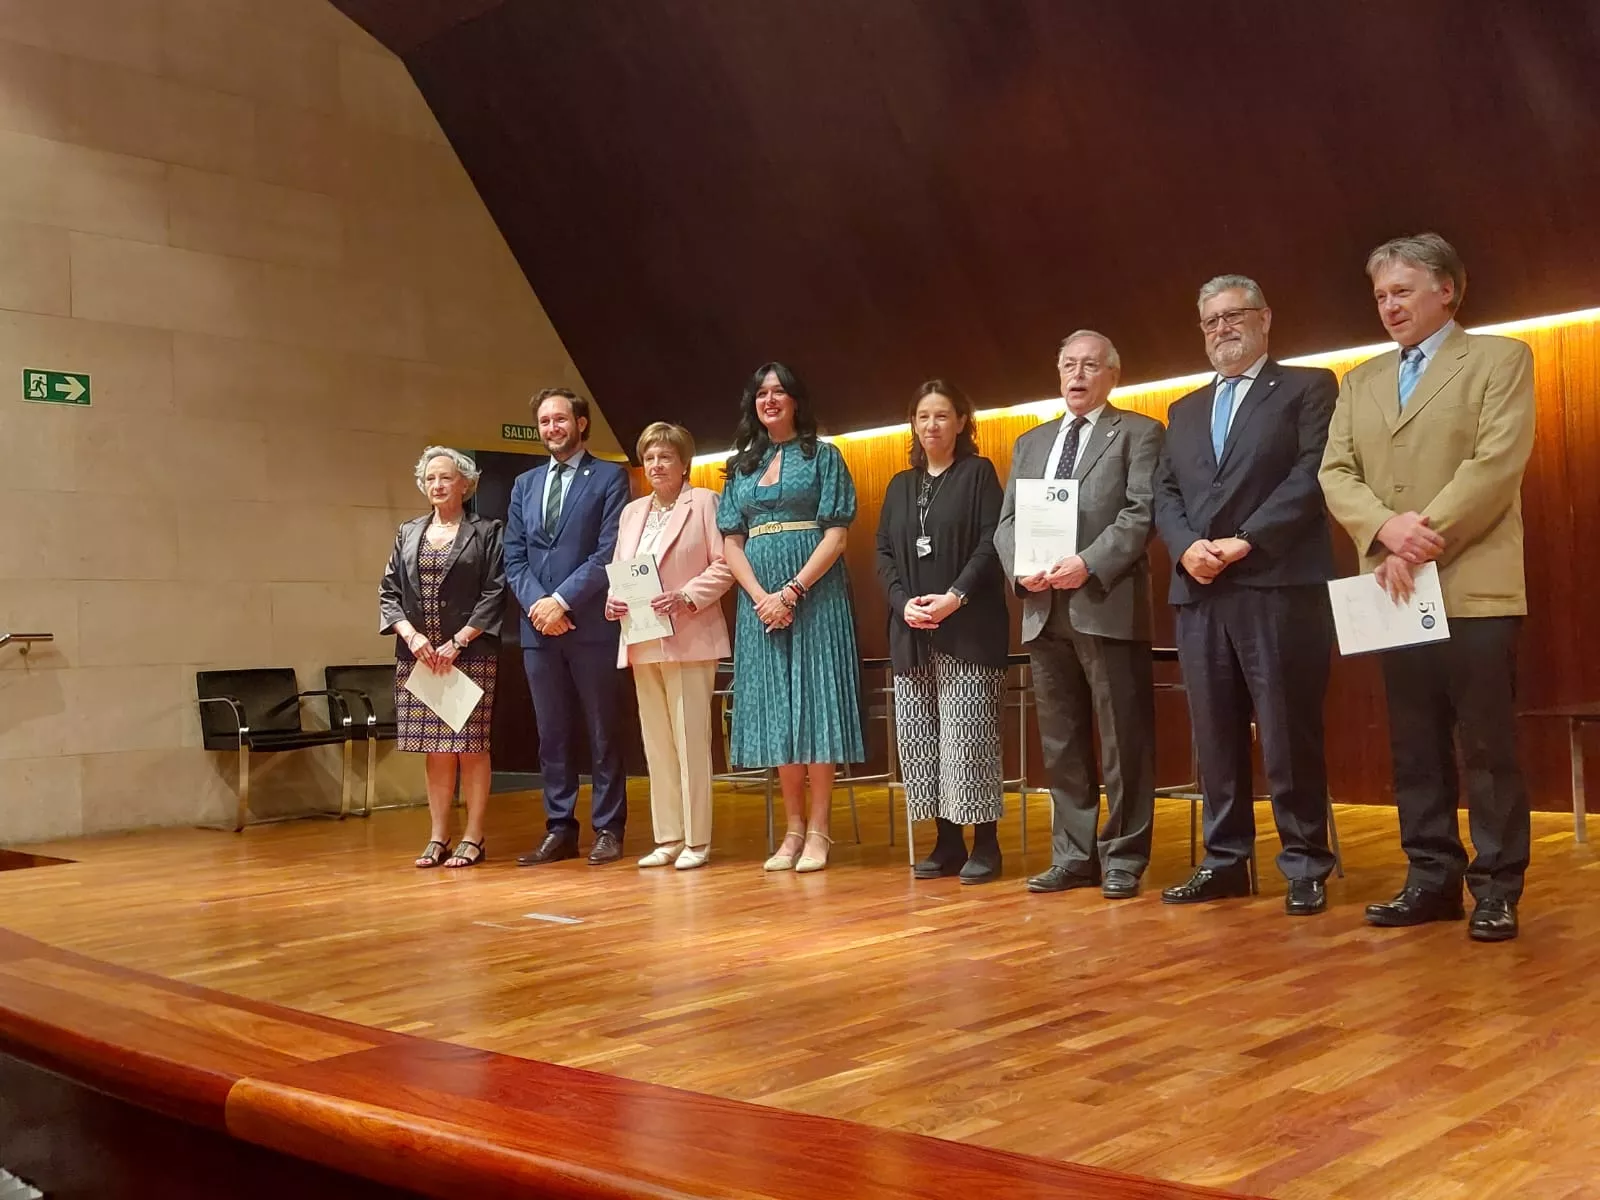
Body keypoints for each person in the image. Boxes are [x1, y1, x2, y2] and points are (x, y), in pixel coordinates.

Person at [1320, 233, 1536, 942]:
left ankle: (1497, 887)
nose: (1389, 306)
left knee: (1486, 745)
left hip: (1472, 581)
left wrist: (1420, 534)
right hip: (1392, 584)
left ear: (1447, 289)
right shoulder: (1360, 381)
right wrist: (1385, 530)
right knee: (1414, 745)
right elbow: (1336, 474)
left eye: (1402, 290)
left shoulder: (1503, 359)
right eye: (1380, 294)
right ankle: (1430, 879)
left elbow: (1495, 464)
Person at [1153, 276, 1340, 915]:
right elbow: (1165, 495)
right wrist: (1184, 548)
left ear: (1265, 320)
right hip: (1200, 591)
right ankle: (1226, 860)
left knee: (1289, 732)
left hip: (1278, 584)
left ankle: (1306, 863)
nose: (1222, 329)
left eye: (1234, 316)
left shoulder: (1310, 388)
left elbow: (1311, 476)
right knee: (1215, 736)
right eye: (1210, 321)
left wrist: (1244, 541)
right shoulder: (1181, 411)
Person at [994, 331, 1163, 900]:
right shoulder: (1031, 442)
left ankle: (1124, 856)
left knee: (1123, 739)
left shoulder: (1139, 433)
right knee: (1061, 743)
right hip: (1043, 608)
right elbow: (1007, 522)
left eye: (1091, 365)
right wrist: (1022, 568)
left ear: (1113, 374)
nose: (1078, 374)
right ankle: (1073, 855)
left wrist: (1086, 564)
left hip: (1105, 602)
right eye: (1069, 364)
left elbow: (1140, 515)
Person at [718, 362, 865, 873]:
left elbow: (838, 534)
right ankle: (792, 830)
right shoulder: (739, 467)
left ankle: (821, 830)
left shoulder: (824, 457)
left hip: (815, 597)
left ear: (797, 400)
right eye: (762, 393)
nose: (770, 400)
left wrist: (793, 590)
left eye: (780, 391)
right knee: (779, 712)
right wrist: (762, 596)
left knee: (815, 707)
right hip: (759, 605)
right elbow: (731, 541)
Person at [875, 381, 1009, 884]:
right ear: (914, 424)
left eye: (942, 416)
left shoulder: (979, 474)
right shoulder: (898, 486)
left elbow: (990, 544)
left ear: (960, 423)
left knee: (968, 739)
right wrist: (901, 602)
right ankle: (946, 839)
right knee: (921, 740)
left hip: (968, 628)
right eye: (923, 416)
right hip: (912, 632)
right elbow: (883, 553)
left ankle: (986, 844)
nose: (932, 425)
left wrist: (955, 596)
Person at [504, 388, 633, 866]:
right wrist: (539, 603)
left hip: (591, 625)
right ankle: (559, 828)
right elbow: (513, 556)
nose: (552, 428)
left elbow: (609, 551)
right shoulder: (524, 484)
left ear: (581, 423)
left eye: (560, 419)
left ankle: (608, 828)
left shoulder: (609, 477)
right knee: (551, 733)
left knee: (603, 731)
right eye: (544, 422)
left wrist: (561, 600)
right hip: (538, 629)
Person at [605, 422, 734, 870]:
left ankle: (697, 840)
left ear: (684, 464)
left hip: (691, 636)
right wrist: (613, 602)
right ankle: (668, 837)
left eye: (666, 457)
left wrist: (686, 596)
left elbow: (726, 565)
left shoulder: (704, 503)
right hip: (642, 638)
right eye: (651, 457)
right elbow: (621, 570)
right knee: (656, 743)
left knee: (690, 741)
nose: (657, 465)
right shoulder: (631, 513)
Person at [379, 447, 506, 869]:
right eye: (430, 478)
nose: (437, 485)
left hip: (467, 655)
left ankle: (474, 836)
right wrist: (412, 637)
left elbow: (495, 591)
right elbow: (389, 593)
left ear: (466, 483)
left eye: (446, 478)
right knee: (436, 749)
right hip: (420, 656)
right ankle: (438, 837)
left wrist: (460, 640)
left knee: (470, 746)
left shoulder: (487, 531)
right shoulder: (408, 531)